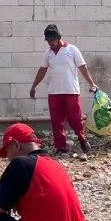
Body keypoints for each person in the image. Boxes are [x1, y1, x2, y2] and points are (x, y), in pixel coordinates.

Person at [29, 24, 99, 157]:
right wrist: (34, 86)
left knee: (76, 119)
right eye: (48, 41)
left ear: (59, 37)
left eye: (52, 40)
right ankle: (61, 147)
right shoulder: (48, 53)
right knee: (56, 121)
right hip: (54, 92)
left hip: (71, 91)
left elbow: (82, 67)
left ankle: (82, 139)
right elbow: (42, 70)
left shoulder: (72, 50)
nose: (50, 43)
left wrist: (92, 84)